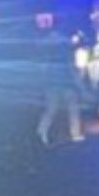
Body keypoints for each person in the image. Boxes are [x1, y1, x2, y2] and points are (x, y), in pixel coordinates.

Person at [34, 12, 83, 146]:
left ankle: (43, 132)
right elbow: (68, 49)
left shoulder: (47, 41)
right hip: (59, 80)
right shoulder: (57, 40)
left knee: (57, 107)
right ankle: (74, 133)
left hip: (57, 80)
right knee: (60, 106)